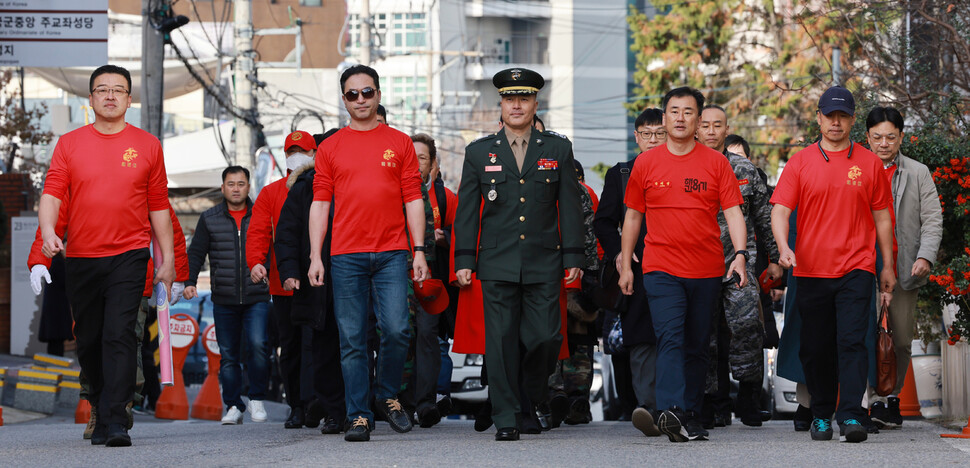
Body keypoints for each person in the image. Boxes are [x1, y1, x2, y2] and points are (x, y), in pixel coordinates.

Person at [38, 64, 175, 447]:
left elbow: (159, 206)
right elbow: (52, 193)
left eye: (118, 90)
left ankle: (117, 420)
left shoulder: (148, 145)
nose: (110, 95)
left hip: (129, 255)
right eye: (102, 90)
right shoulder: (70, 143)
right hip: (80, 256)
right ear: (91, 99)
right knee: (89, 339)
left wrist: (168, 261)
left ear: (130, 99)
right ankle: (98, 403)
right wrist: (49, 232)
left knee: (119, 335)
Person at [453, 67, 584, 442]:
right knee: (500, 342)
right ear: (500, 104)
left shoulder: (557, 149)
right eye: (510, 98)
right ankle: (507, 416)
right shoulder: (479, 152)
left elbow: (570, 207)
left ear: (535, 103)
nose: (516, 105)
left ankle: (532, 392)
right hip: (496, 262)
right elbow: (466, 211)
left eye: (523, 98)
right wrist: (464, 260)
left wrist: (573, 256)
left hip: (545, 260)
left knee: (545, 337)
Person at [618, 87, 749, 443]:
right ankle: (672, 409)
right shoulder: (646, 163)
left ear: (698, 119)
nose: (680, 118)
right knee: (670, 337)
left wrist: (739, 255)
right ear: (664, 118)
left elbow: (733, 212)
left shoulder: (716, 162)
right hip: (660, 266)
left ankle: (688, 414)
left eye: (687, 112)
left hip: (706, 268)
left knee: (696, 344)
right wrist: (626, 263)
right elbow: (632, 216)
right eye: (673, 111)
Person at [308, 64, 429, 442]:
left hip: (393, 252)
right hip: (345, 255)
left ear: (378, 94)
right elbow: (320, 204)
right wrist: (316, 256)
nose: (360, 99)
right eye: (352, 94)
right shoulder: (330, 147)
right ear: (343, 99)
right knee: (352, 339)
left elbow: (413, 198)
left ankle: (386, 394)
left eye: (367, 92)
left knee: (397, 330)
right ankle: (358, 414)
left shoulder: (401, 142)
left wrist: (420, 250)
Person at [770, 86, 895, 443]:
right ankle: (821, 414)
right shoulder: (801, 162)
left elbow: (883, 217)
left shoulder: (869, 163)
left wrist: (886, 266)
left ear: (853, 120)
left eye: (842, 116)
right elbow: (780, 210)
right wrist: (783, 246)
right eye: (829, 115)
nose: (835, 122)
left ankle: (852, 415)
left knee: (854, 341)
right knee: (816, 345)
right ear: (819, 118)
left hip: (857, 267)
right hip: (810, 270)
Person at [697, 105, 782, 427]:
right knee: (705, 335)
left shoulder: (745, 169)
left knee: (747, 328)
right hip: (698, 265)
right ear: (696, 127)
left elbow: (764, 217)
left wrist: (774, 260)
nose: (711, 131)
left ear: (726, 128)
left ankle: (748, 397)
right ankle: (710, 403)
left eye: (718, 125)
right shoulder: (686, 165)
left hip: (739, 263)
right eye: (705, 125)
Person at [864, 106, 942, 428]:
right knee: (866, 336)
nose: (884, 143)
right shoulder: (856, 169)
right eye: (877, 137)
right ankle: (873, 402)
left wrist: (925, 256)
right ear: (867, 137)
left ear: (901, 137)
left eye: (890, 137)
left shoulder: (917, 172)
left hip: (904, 267)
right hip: (862, 266)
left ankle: (892, 399)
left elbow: (933, 218)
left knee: (899, 339)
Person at [594, 107, 665, 436]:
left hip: (679, 263)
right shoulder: (621, 173)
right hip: (636, 268)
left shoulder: (683, 168)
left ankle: (680, 405)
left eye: (659, 133)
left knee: (679, 335)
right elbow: (604, 222)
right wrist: (618, 253)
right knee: (640, 337)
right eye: (647, 134)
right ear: (636, 137)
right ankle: (648, 406)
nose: (653, 140)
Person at [185, 166, 271, 425]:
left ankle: (256, 399)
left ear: (248, 187)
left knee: (258, 346)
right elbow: (196, 253)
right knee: (229, 354)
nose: (236, 188)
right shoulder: (209, 218)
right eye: (231, 184)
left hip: (257, 296)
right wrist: (189, 281)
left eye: (241, 183)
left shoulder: (261, 215)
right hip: (223, 298)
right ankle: (234, 405)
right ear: (222, 188)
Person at [275, 128, 347, 435]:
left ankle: (360, 407)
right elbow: (287, 232)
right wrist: (290, 271)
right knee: (324, 346)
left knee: (360, 344)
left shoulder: (355, 181)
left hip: (357, 275)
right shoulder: (304, 186)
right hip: (318, 281)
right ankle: (334, 411)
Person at [247, 130, 315, 429]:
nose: (296, 155)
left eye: (302, 150)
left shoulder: (323, 187)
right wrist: (256, 262)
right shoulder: (272, 192)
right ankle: (297, 405)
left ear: (314, 153)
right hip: (283, 285)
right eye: (291, 151)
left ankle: (318, 403)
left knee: (318, 345)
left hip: (320, 284)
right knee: (290, 348)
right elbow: (259, 231)